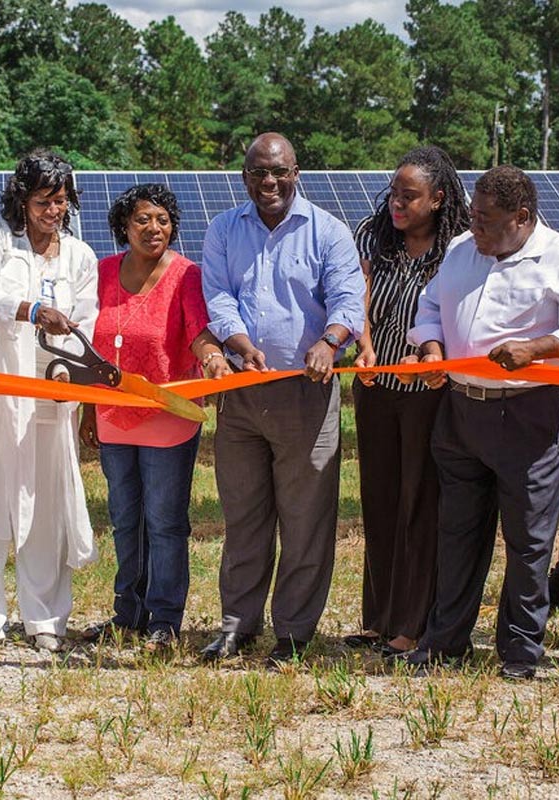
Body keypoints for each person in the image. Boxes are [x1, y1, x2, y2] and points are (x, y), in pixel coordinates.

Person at [199, 132, 366, 665]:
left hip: (307, 393)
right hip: (242, 394)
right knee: (244, 516)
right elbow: (218, 294)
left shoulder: (329, 233)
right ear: (244, 176)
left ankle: (293, 632)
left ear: (297, 173)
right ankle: (236, 625)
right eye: (256, 173)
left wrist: (330, 341)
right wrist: (238, 341)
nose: (268, 182)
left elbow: (347, 299)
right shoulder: (224, 229)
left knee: (305, 519)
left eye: (278, 172)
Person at [401, 165, 559, 680]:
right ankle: (445, 644)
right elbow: (429, 308)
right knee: (458, 533)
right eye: (472, 217)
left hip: (528, 415)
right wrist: (430, 348)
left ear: (522, 217)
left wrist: (537, 347)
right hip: (461, 411)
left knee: (528, 538)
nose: (476, 230)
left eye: (487, 222)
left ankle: (519, 653)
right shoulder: (459, 251)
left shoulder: (557, 255)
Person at [0, 150, 97, 656]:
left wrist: (64, 372)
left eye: (62, 199)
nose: (54, 210)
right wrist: (31, 310)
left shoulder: (79, 257)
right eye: (43, 200)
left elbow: (86, 324)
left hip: (49, 394)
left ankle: (45, 616)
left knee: (47, 502)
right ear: (22, 200)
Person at [79, 183, 230, 653]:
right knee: (125, 519)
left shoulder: (186, 275)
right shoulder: (102, 272)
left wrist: (213, 360)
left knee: (164, 521)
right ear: (124, 226)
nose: (154, 228)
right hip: (113, 415)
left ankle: (164, 619)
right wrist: (88, 408)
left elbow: (199, 332)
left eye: (163, 220)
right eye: (143, 219)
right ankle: (128, 613)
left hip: (168, 413)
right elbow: (89, 347)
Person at [344, 146, 470, 656]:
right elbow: (360, 296)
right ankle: (379, 618)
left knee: (419, 504)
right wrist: (365, 346)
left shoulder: (459, 251)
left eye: (410, 196)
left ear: (438, 199)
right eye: (394, 193)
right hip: (376, 389)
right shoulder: (374, 238)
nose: (397, 203)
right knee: (380, 499)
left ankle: (411, 626)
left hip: (429, 397)